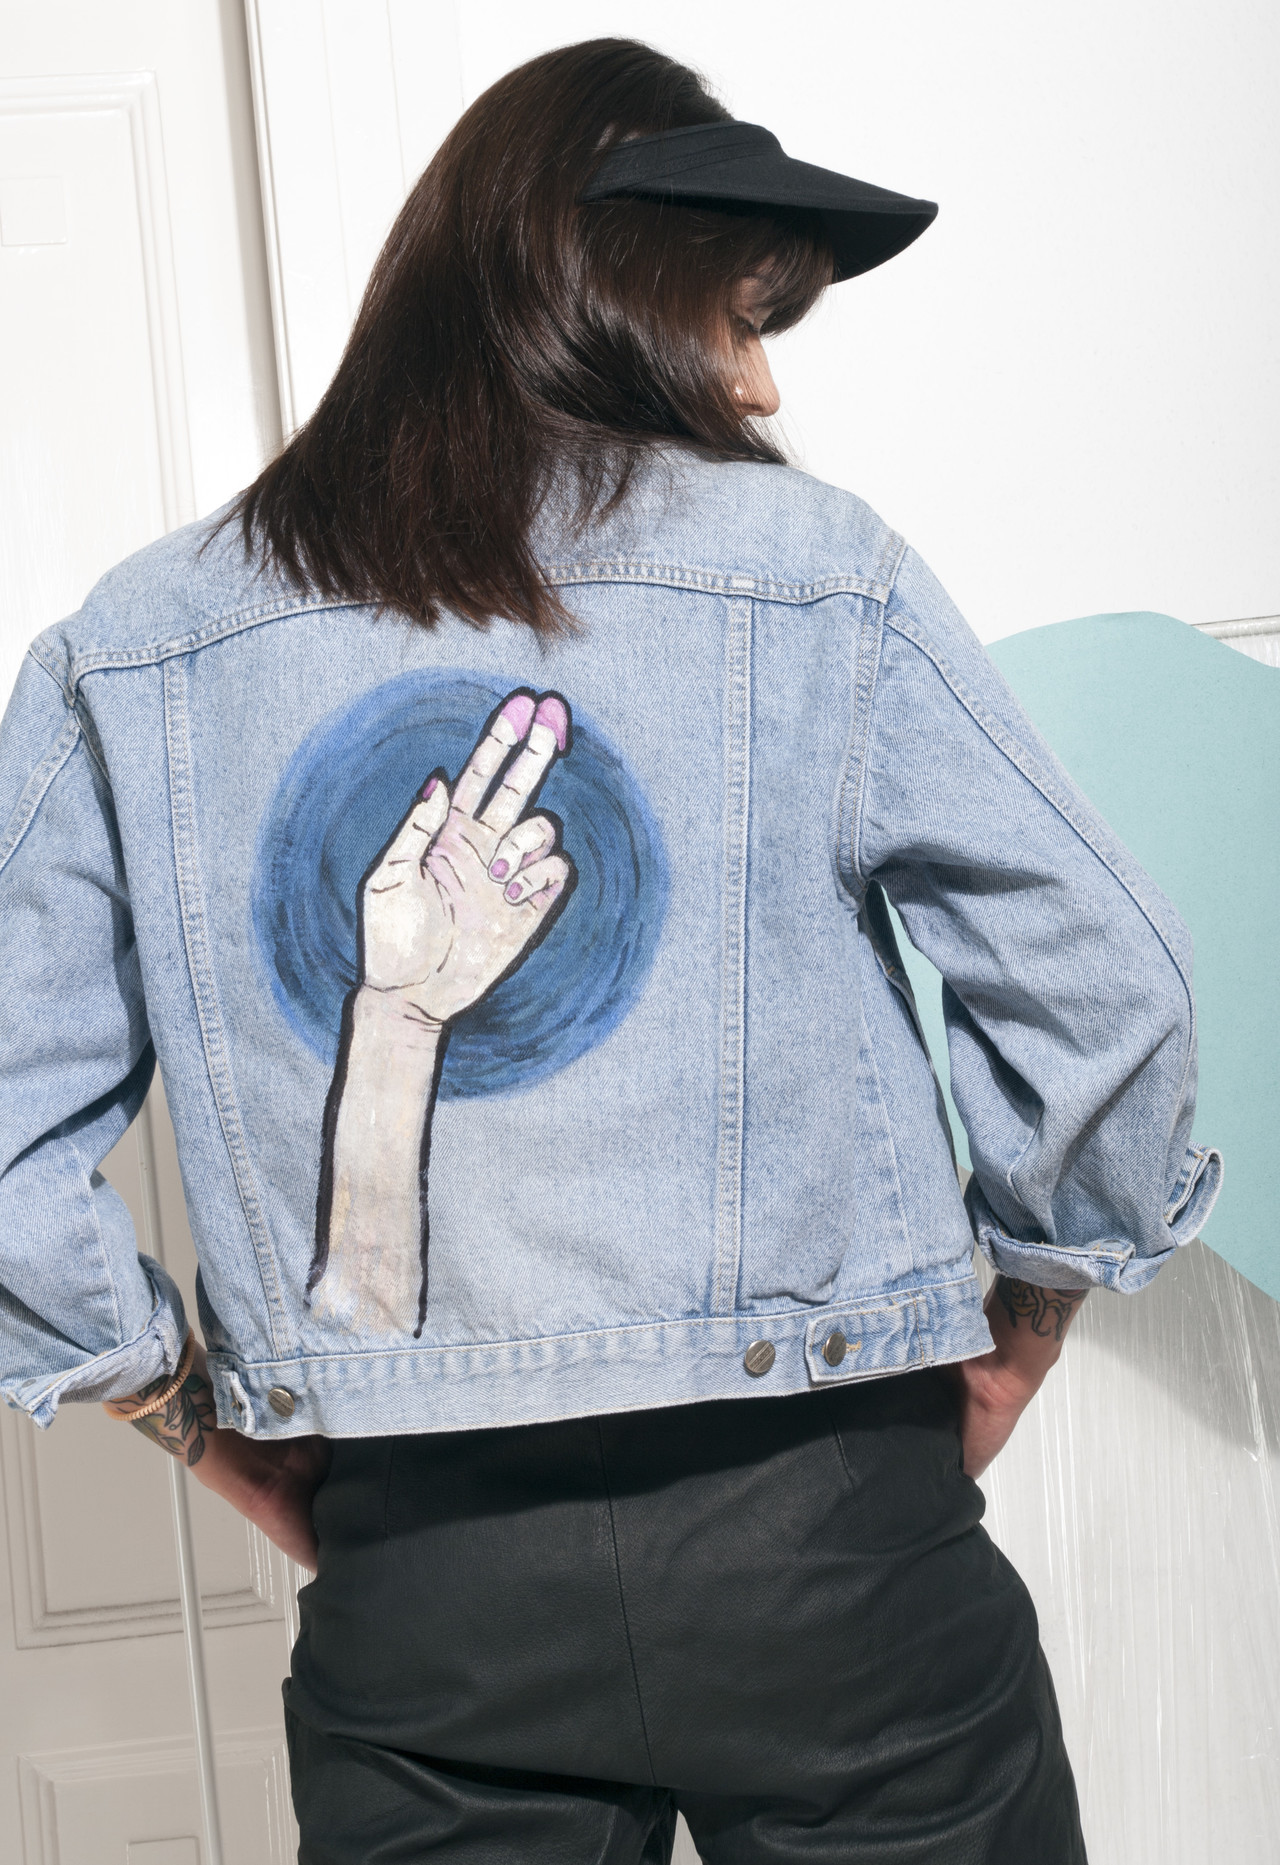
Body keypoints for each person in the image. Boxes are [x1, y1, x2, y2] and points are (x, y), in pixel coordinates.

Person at [0, 37, 1220, 1865]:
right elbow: (1108, 990)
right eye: (742, 317)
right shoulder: (815, 571)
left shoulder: (138, 644)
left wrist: (204, 1425)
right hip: (833, 1538)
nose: (761, 378)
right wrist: (1031, 1311)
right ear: (616, 290)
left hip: (425, 1584)